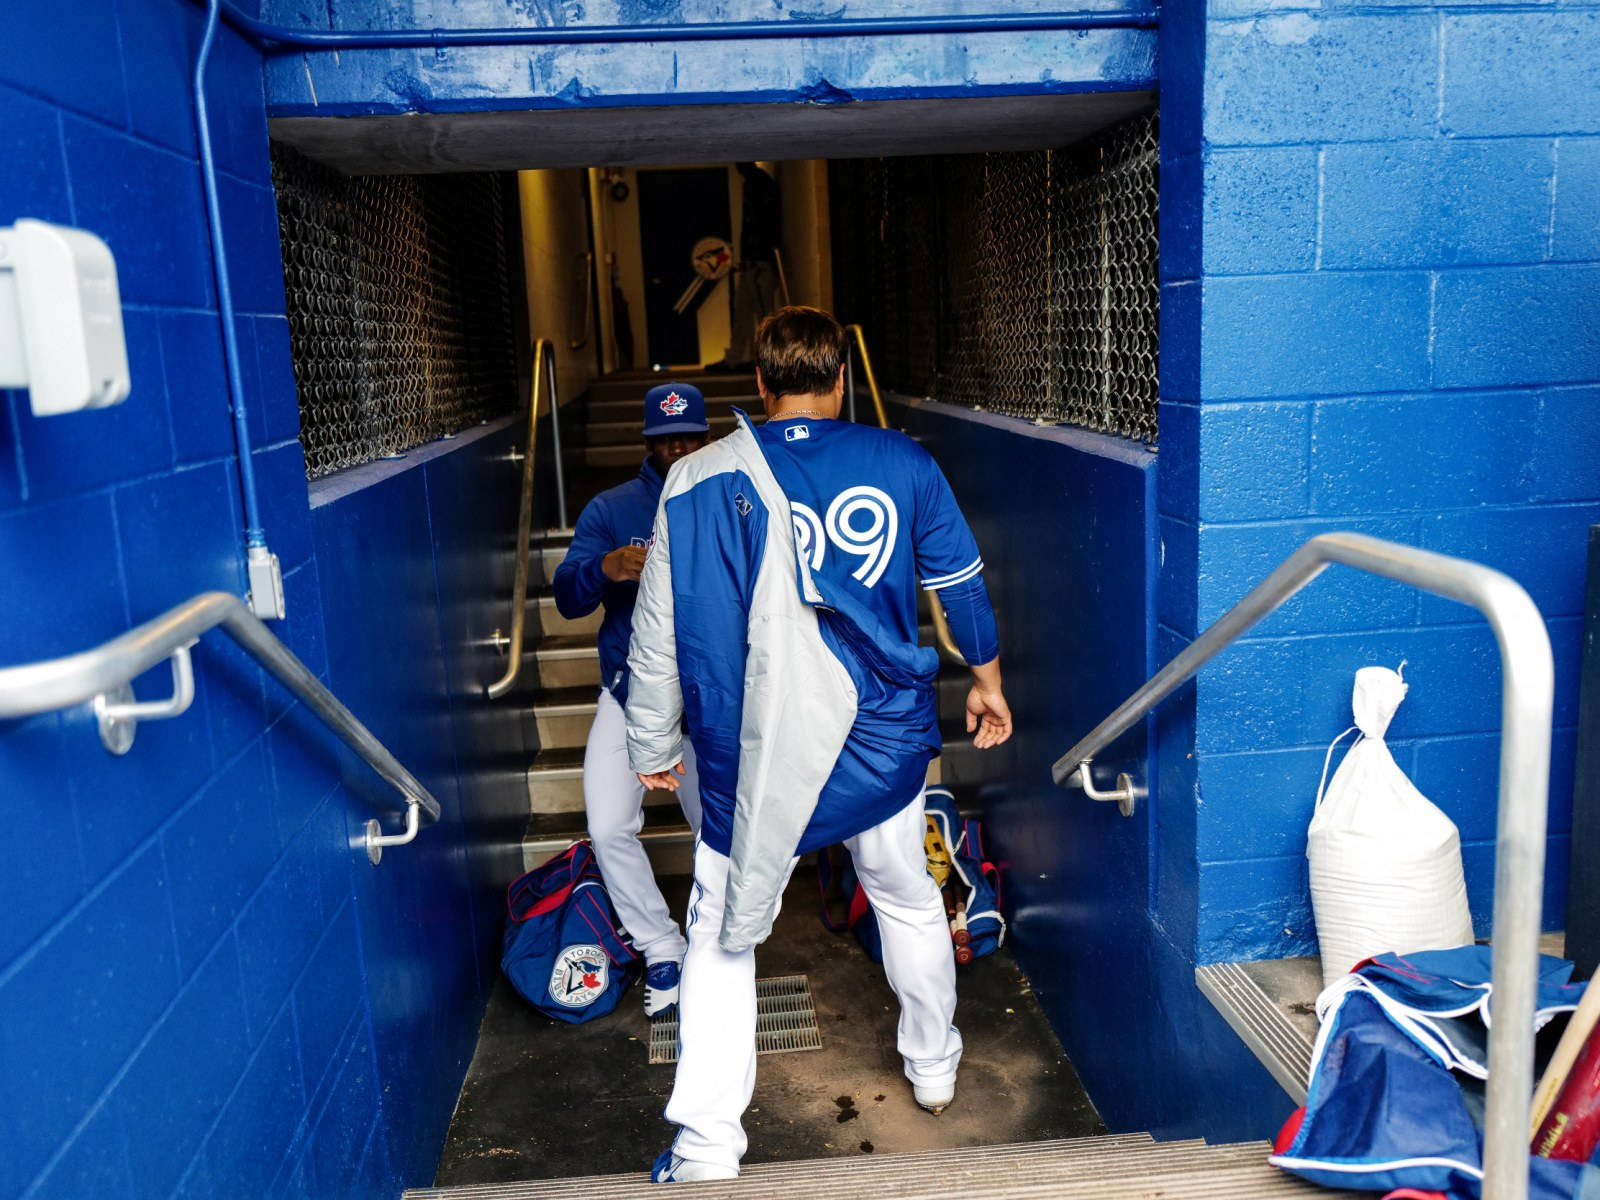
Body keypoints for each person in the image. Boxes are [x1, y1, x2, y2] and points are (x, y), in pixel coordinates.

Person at [624, 307, 1013, 1182]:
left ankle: (708, 1146)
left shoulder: (696, 480)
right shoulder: (904, 463)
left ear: (759, 386)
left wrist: (650, 735)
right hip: (879, 740)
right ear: (840, 379)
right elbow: (963, 589)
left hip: (748, 749)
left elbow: (659, 628)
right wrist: (987, 683)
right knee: (905, 896)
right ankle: (935, 1067)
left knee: (725, 937)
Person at [550, 382, 711, 1017]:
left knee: (716, 830)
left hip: (705, 696)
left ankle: (713, 949)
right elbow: (566, 596)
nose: (677, 447)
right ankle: (660, 947)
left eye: (689, 436)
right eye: (666, 438)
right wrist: (606, 568)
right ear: (648, 441)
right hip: (627, 691)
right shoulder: (611, 507)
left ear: (705, 437)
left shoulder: (727, 498)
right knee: (609, 824)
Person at [708, 162, 782, 371]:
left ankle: (771, 360)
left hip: (760, 263)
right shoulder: (753, 183)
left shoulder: (759, 184)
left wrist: (759, 250)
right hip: (753, 262)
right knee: (743, 313)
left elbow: (764, 224)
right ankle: (736, 357)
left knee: (764, 315)